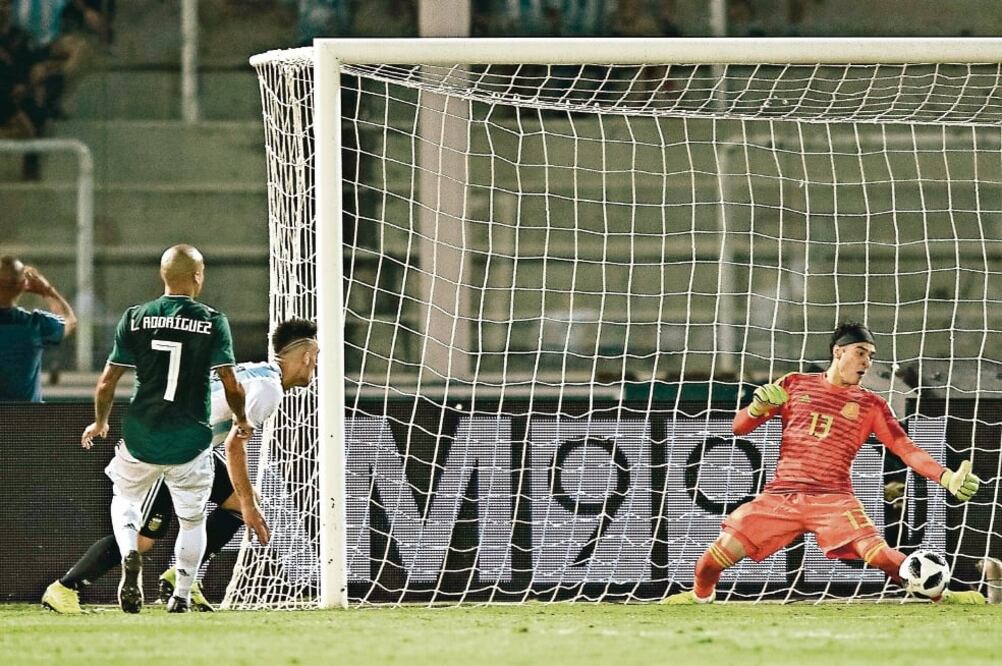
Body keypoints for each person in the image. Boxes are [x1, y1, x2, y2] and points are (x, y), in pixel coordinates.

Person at [663, 322, 985, 605]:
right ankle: (700, 597)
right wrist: (758, 407)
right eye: (861, 352)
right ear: (838, 351)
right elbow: (739, 428)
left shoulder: (871, 405)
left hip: (833, 499)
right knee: (708, 564)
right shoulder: (794, 384)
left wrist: (945, 476)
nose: (867, 362)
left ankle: (942, 593)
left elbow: (904, 447)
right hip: (781, 497)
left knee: (880, 555)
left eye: (871, 356)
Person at [42, 318, 319, 614]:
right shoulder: (269, 389)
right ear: (306, 357)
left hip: (189, 445)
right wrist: (250, 504)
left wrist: (247, 499)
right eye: (316, 359)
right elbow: (235, 445)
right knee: (143, 539)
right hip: (165, 447)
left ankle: (181, 577)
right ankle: (64, 588)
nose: (315, 367)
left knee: (236, 502)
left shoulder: (257, 372)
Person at [71, 245, 251, 614]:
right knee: (192, 520)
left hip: (142, 436)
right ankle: (181, 595)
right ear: (197, 277)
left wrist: (101, 421)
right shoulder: (212, 321)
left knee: (125, 499)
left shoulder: (136, 317)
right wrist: (241, 418)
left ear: (162, 276)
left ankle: (129, 555)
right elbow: (231, 384)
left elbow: (106, 383)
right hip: (190, 441)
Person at [0, 255, 77, 401]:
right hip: (28, 421)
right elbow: (69, 321)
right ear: (24, 285)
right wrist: (47, 290)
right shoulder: (36, 325)